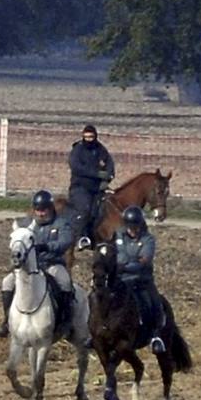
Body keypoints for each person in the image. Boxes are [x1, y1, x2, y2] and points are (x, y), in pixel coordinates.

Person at [0, 190, 78, 340]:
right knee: (7, 282)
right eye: (38, 210)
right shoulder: (27, 224)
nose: (41, 214)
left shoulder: (61, 223)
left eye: (44, 210)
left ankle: (66, 322)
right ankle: (7, 321)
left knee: (65, 282)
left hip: (51, 264)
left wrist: (47, 246)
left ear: (50, 208)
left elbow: (65, 241)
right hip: (30, 266)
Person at [113, 205, 170, 352]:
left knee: (154, 302)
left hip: (141, 280)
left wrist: (125, 265)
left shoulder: (148, 239)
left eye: (135, 227)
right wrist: (127, 262)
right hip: (121, 279)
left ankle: (155, 336)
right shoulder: (118, 236)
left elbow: (144, 261)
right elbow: (117, 254)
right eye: (129, 227)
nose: (132, 230)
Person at [67, 124, 115, 242]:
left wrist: (107, 178)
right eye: (86, 137)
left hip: (97, 188)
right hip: (80, 187)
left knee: (100, 211)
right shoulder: (77, 150)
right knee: (85, 209)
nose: (89, 140)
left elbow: (109, 165)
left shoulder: (100, 149)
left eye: (91, 137)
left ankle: (95, 236)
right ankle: (80, 236)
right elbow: (77, 168)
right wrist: (97, 174)